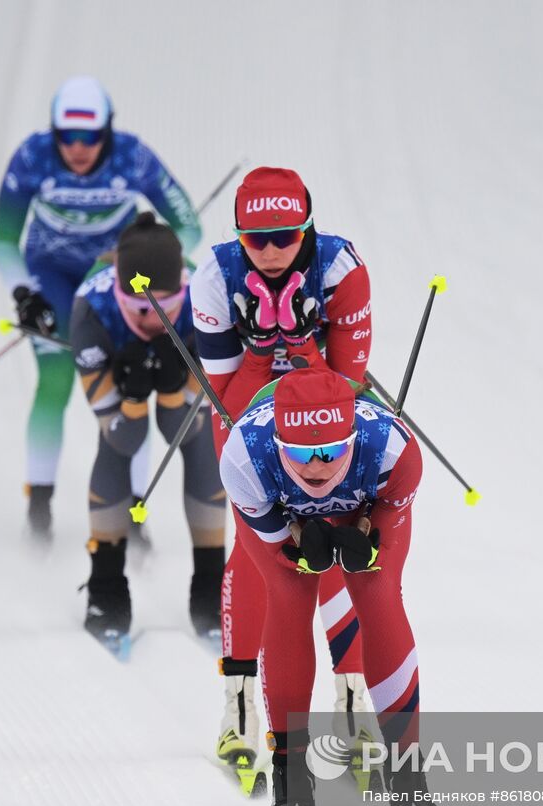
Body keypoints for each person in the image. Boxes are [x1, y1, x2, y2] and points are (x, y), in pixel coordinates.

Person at [189, 167, 374, 773]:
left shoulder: (340, 269)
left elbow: (347, 387)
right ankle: (239, 705)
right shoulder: (215, 276)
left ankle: (352, 699)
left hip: (324, 411)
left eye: (285, 236)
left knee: (342, 537)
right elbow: (226, 399)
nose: (269, 251)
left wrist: (302, 346)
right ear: (239, 236)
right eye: (256, 238)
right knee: (258, 551)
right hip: (248, 412)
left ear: (308, 228)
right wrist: (270, 350)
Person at [218, 365, 437, 806]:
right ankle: (291, 775)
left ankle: (409, 774)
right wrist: (300, 538)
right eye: (300, 454)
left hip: (364, 500)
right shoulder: (243, 457)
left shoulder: (394, 450)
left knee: (379, 596)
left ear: (353, 437)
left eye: (330, 450)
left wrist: (365, 538)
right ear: (278, 446)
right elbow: (280, 545)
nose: (316, 467)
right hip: (281, 507)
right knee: (289, 595)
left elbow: (387, 513)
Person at [0, 75, 201, 542]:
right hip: (52, 276)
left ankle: (133, 509)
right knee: (56, 378)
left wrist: (166, 260)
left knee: (133, 383)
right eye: (67, 136)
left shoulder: (132, 156)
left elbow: (188, 224)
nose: (78, 148)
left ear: (108, 131)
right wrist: (25, 295)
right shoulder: (31, 157)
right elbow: (4, 239)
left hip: (117, 280)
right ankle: (39, 506)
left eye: (90, 137)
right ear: (54, 132)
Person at [68, 214, 223, 652]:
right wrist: (134, 398)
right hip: (113, 350)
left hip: (189, 350)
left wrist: (174, 392)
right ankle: (107, 590)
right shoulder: (91, 313)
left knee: (202, 445)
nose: (153, 318)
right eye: (139, 306)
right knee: (113, 453)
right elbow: (122, 436)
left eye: (164, 305)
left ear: (182, 294)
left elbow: (183, 430)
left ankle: (212, 590)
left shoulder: (206, 306)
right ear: (119, 293)